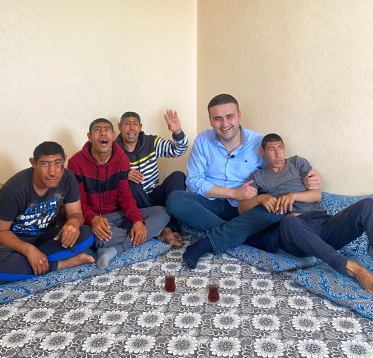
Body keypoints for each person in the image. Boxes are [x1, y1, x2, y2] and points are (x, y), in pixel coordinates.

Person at [166, 94, 321, 269]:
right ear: (210, 120)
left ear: (239, 116)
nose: (224, 124)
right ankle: (246, 237)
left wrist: (311, 176)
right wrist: (234, 193)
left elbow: (279, 168)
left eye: (230, 116)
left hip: (246, 209)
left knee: (275, 208)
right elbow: (193, 181)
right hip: (208, 205)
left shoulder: (259, 143)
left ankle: (224, 236)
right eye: (217, 118)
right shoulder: (202, 140)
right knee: (175, 200)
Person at [239, 133, 373, 293]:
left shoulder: (297, 163)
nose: (278, 154)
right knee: (289, 221)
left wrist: (293, 195)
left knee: (368, 204)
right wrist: (261, 198)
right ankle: (352, 268)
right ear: (262, 152)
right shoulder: (258, 176)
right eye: (272, 149)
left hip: (322, 223)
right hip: (294, 235)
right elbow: (242, 209)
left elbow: (316, 195)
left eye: (280, 148)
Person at [0, 141, 95, 284]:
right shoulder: (14, 190)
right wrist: (28, 250)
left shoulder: (68, 178)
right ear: (33, 163)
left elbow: (76, 214)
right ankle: (61, 264)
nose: (52, 172)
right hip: (9, 244)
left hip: (43, 239)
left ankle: (16, 271)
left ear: (65, 160)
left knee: (86, 234)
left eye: (58, 163)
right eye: (45, 163)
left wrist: (73, 223)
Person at [67, 118, 170, 269]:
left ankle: (114, 249)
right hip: (92, 221)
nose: (103, 133)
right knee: (91, 236)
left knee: (163, 213)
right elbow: (78, 204)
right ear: (89, 137)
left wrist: (137, 221)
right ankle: (140, 236)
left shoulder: (121, 158)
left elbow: (125, 196)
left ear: (114, 135)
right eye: (97, 129)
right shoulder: (76, 162)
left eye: (107, 129)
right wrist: (93, 219)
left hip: (117, 216)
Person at [115, 110, 188, 247]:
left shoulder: (151, 142)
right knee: (129, 184)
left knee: (178, 176)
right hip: (136, 201)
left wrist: (177, 132)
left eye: (135, 124)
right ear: (120, 127)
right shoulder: (113, 150)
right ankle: (164, 228)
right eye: (127, 124)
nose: (132, 128)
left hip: (154, 193)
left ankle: (170, 226)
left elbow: (178, 150)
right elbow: (104, 176)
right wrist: (123, 174)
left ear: (140, 127)